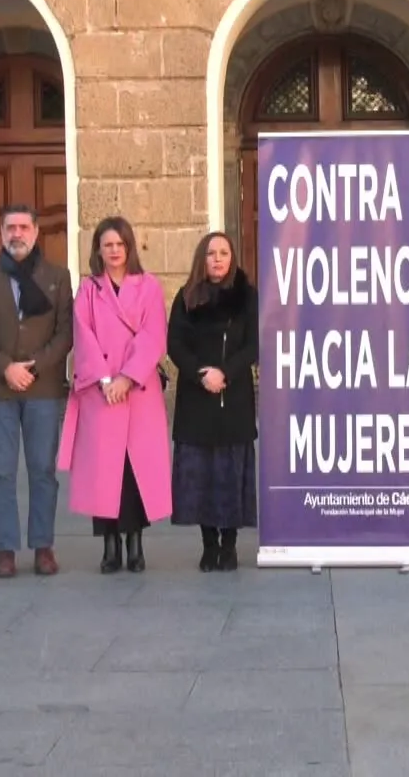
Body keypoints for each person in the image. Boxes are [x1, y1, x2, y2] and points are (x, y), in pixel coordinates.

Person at [58, 216, 173, 574]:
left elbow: (154, 335)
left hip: (136, 391)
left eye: (119, 244)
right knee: (103, 472)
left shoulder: (149, 286)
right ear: (98, 250)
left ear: (129, 247)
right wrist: (106, 379)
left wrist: (126, 377)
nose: (114, 251)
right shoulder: (88, 290)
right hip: (100, 391)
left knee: (134, 471)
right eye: (107, 245)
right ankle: (110, 545)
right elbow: (84, 336)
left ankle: (136, 542)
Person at [0, 205, 74, 579]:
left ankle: (43, 545)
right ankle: (5, 549)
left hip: (42, 388)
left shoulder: (57, 276)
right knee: (1, 471)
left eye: (23, 227)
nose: (17, 234)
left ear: (36, 232)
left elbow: (65, 332)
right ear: (0, 233)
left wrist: (37, 365)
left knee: (43, 469)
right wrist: (6, 367)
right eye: (10, 227)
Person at [167, 232, 259, 572]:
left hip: (233, 398)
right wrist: (200, 374)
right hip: (197, 399)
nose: (217, 259)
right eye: (211, 253)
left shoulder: (247, 297)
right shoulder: (188, 297)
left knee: (230, 475)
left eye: (224, 253)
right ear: (201, 260)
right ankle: (209, 545)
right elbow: (175, 343)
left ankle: (230, 545)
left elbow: (254, 343)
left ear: (232, 258)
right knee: (203, 475)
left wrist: (226, 373)